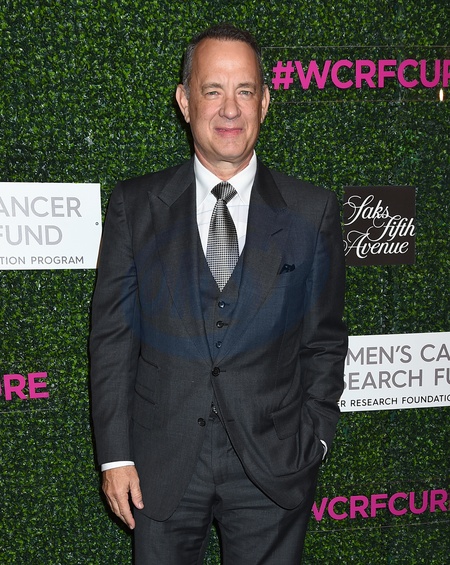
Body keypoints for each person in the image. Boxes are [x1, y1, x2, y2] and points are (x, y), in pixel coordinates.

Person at [90, 23, 348, 565]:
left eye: (245, 91)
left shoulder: (313, 211)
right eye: (213, 90)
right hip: (159, 465)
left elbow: (323, 340)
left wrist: (316, 438)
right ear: (185, 102)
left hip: (274, 466)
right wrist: (115, 457)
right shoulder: (135, 206)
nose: (230, 109)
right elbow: (112, 340)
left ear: (265, 103)